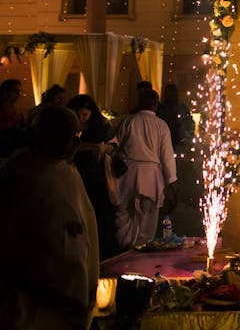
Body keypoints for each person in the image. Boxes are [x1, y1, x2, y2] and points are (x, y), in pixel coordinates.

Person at [0, 106, 100, 329]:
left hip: (70, 305)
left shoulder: (66, 171)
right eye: (71, 135)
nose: (76, 143)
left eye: (78, 136)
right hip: (33, 310)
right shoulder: (22, 176)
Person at [114, 87, 177, 250]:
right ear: (155, 105)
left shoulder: (129, 121)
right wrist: (171, 182)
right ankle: (142, 252)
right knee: (147, 221)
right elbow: (167, 156)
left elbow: (114, 147)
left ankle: (124, 251)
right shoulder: (161, 125)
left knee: (125, 217)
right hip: (152, 179)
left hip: (128, 175)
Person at [68, 93, 121, 260]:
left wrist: (104, 148)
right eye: (78, 114)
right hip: (75, 174)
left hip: (97, 177)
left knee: (99, 214)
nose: (81, 118)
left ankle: (101, 253)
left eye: (85, 114)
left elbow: (114, 145)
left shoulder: (100, 125)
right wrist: (88, 146)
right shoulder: (69, 126)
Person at [0, 78, 26, 161]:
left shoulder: (13, 107)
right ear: (5, 92)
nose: (18, 94)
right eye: (15, 91)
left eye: (19, 91)